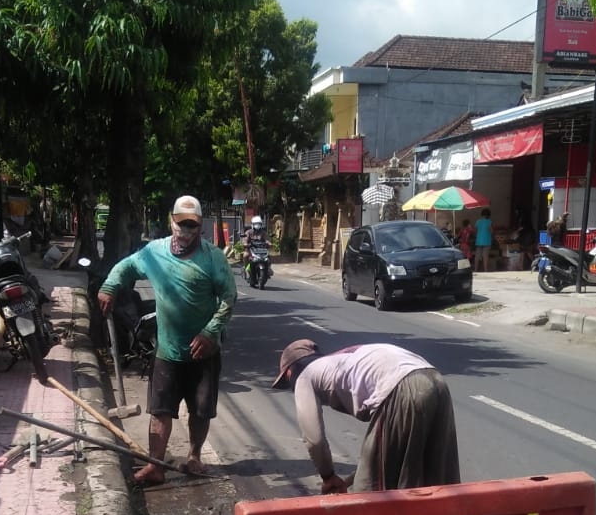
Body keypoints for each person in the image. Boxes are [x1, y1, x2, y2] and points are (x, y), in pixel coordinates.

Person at [98, 195, 237, 486]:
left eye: (192, 226)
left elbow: (228, 297)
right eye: (181, 224)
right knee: (160, 409)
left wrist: (211, 332)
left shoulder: (213, 258)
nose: (186, 231)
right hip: (167, 349)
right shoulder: (153, 253)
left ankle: (194, 456)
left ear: (200, 227)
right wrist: (110, 286)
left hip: (204, 351)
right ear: (170, 221)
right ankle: (156, 465)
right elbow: (125, 267)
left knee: (200, 410)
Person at [272, 338, 460, 494]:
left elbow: (314, 439)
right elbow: (379, 452)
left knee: (370, 490)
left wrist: (328, 477)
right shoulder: (342, 359)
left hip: (401, 386)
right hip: (436, 380)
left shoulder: (304, 376)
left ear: (289, 372)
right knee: (439, 480)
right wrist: (351, 478)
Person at [473, 208, 493, 272]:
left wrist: (478, 236)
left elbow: (475, 231)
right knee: (485, 256)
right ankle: (485, 270)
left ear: (482, 214)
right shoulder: (489, 221)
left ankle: (475, 270)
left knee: (477, 256)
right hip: (486, 241)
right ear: (488, 215)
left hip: (479, 241)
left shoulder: (477, 221)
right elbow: (491, 231)